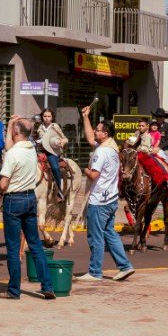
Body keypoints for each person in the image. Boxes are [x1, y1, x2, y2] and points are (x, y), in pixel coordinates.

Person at [0, 115, 56, 300]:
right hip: (31, 198)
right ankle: (47, 286)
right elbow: (10, 145)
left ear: (16, 132)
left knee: (13, 249)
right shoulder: (31, 149)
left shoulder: (13, 154)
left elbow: (3, 184)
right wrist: (11, 125)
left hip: (13, 200)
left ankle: (14, 290)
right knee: (35, 245)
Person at [78, 106, 134, 282]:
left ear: (106, 133)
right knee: (109, 233)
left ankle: (95, 272)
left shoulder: (101, 151)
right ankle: (125, 266)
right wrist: (85, 117)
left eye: (98, 130)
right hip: (110, 199)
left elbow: (94, 175)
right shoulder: (112, 148)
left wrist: (85, 169)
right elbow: (89, 137)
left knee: (95, 236)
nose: (95, 131)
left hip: (99, 201)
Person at [34, 107, 68, 201]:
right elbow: (34, 137)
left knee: (55, 167)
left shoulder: (55, 126)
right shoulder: (39, 127)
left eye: (49, 116)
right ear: (42, 117)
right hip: (40, 150)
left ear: (52, 117)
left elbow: (64, 138)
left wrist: (62, 142)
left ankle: (59, 191)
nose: (46, 118)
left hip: (53, 151)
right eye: (45, 116)